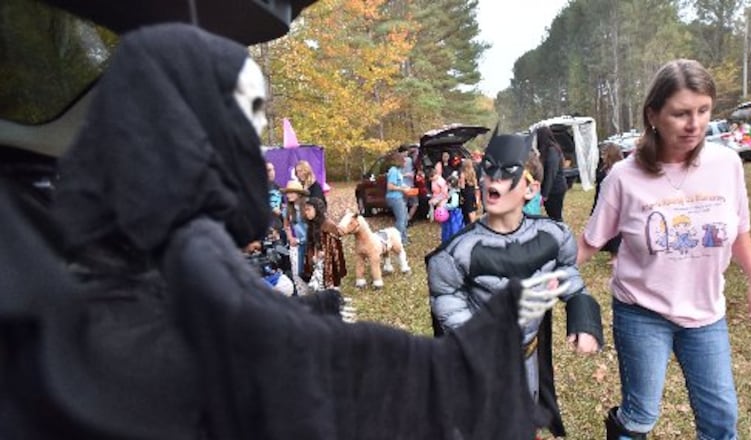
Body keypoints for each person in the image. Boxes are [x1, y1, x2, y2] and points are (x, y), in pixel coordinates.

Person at [1, 23, 585, 439]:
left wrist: (311, 308)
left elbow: (258, 332)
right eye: (247, 115)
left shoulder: (160, 247)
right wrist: (462, 355)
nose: (254, 141)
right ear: (191, 117)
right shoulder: (173, 258)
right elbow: (279, 355)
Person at [577, 59, 751, 440]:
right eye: (681, 113)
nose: (694, 124)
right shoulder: (623, 177)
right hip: (642, 312)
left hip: (705, 314)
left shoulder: (727, 164)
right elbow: (591, 241)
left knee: (721, 419)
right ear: (653, 115)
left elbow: (740, 230)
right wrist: (543, 279)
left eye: (703, 111)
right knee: (640, 416)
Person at [427, 133, 604, 438]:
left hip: (527, 355)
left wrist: (584, 321)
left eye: (507, 171)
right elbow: (447, 301)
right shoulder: (456, 252)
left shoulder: (553, 236)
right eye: (489, 169)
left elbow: (571, 282)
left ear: (531, 188)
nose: (493, 179)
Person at [303, 197, 347, 291]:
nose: (306, 212)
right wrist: (314, 254)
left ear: (317, 209)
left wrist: (324, 253)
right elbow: (312, 243)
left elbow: (335, 247)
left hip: (328, 261)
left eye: (309, 209)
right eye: (305, 209)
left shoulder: (328, 224)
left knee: (329, 287)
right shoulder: (312, 224)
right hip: (317, 260)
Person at [591, 142, 624, 265]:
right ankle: (613, 254)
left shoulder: (619, 169)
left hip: (616, 203)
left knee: (617, 230)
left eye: (605, 153)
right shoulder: (603, 168)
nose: (602, 156)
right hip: (604, 200)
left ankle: (617, 255)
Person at [535, 126, 568, 221]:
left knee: (556, 216)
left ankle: (561, 233)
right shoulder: (547, 150)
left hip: (555, 189)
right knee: (552, 215)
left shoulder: (552, 151)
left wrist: (545, 194)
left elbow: (551, 174)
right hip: (552, 189)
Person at [281, 179, 309, 290]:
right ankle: (303, 295)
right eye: (288, 193)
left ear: (299, 194)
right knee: (298, 271)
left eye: (292, 192)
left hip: (310, 241)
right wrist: (290, 237)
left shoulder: (307, 206)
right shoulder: (288, 209)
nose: (289, 195)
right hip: (297, 243)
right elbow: (286, 225)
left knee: (312, 268)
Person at [384, 151, 409, 245]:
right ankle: (398, 240)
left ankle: (404, 238)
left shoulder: (397, 171)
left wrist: (406, 187)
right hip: (394, 198)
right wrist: (402, 189)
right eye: (404, 161)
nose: (405, 163)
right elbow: (390, 186)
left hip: (398, 197)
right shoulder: (393, 171)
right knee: (401, 219)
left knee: (405, 218)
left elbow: (399, 182)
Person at [398, 144, 419, 224]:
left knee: (413, 203)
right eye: (405, 152)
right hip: (405, 186)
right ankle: (406, 220)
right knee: (409, 204)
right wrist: (407, 174)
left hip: (409, 185)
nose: (406, 153)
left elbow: (413, 169)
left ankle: (407, 219)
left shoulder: (407, 160)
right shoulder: (404, 161)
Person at [441, 174, 464, 243]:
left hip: (454, 214)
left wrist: (445, 206)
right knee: (448, 229)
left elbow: (454, 204)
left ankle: (453, 241)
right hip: (451, 214)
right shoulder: (451, 192)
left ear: (450, 184)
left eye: (447, 184)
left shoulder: (455, 193)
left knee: (454, 229)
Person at [459, 158, 479, 224]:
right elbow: (476, 185)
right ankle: (474, 223)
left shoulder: (463, 174)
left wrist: (461, 196)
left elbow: (462, 187)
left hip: (466, 193)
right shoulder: (473, 173)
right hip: (472, 192)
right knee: (472, 210)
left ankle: (471, 224)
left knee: (468, 210)